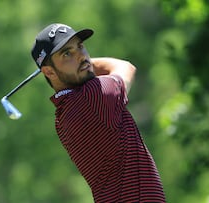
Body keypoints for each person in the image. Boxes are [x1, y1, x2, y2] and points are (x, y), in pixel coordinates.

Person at [31, 23, 166, 203]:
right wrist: (87, 63)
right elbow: (125, 67)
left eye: (80, 47)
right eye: (67, 53)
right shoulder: (93, 96)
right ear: (48, 71)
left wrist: (76, 64)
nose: (81, 55)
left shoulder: (63, 113)